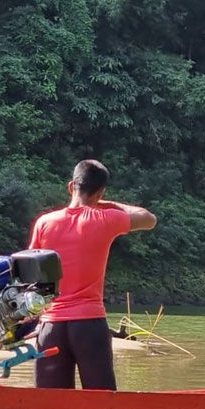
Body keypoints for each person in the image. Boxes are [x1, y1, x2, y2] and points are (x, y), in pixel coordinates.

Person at [28, 160, 156, 390]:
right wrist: (104, 202)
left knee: (51, 405)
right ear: (100, 192)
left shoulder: (44, 223)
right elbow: (148, 219)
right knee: (101, 401)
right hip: (88, 324)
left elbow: (32, 271)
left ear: (71, 187)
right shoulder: (105, 219)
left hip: (50, 326)